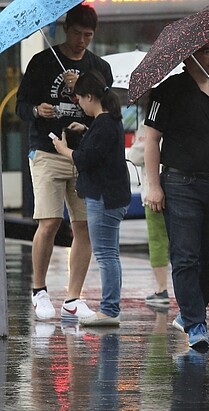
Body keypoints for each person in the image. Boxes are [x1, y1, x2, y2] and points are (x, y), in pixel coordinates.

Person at [144, 37, 209, 349]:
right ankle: (196, 324)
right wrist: (153, 185)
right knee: (186, 256)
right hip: (180, 184)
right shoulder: (168, 90)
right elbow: (152, 140)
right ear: (188, 54)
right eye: (207, 50)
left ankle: (191, 313)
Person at [16, 4, 113, 321]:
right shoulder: (42, 63)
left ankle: (74, 298)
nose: (81, 41)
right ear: (65, 30)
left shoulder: (97, 68)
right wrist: (36, 111)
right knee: (49, 221)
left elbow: (107, 112)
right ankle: (39, 292)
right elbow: (21, 105)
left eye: (88, 35)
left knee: (84, 225)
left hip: (84, 154)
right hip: (47, 150)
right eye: (76, 34)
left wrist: (81, 89)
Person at [52, 70, 131, 326]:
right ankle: (111, 307)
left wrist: (64, 150)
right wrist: (86, 129)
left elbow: (86, 158)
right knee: (110, 254)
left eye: (79, 99)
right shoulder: (106, 121)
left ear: (89, 96)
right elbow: (99, 145)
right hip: (110, 195)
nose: (79, 104)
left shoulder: (105, 123)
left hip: (104, 196)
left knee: (106, 255)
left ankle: (109, 310)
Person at [127, 124, 171, 308]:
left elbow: (135, 157)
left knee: (158, 240)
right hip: (180, 190)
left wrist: (137, 141)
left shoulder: (148, 124)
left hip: (153, 192)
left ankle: (162, 289)